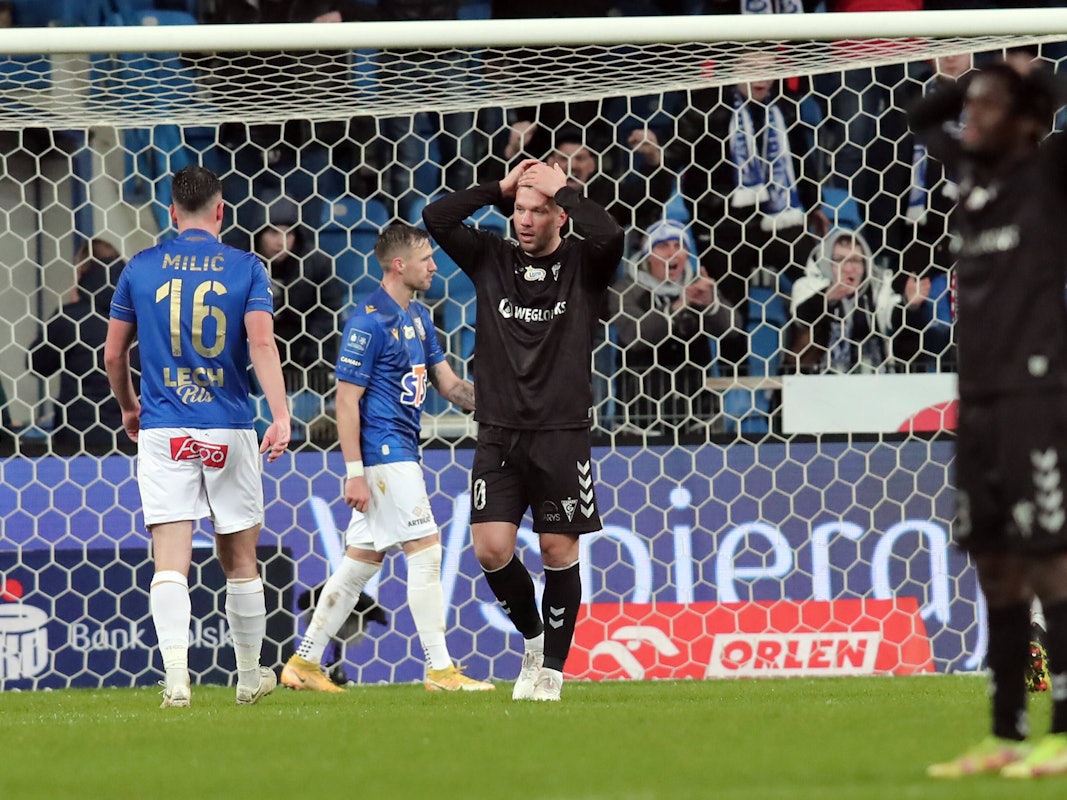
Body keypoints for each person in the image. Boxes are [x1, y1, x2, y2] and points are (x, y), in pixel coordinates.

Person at [911, 61, 1067, 779]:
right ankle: (1005, 729)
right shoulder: (966, 174)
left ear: (1025, 119)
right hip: (976, 401)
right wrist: (984, 74)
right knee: (996, 563)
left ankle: (1062, 731)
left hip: (1036, 396)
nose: (967, 117)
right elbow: (915, 117)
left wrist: (1027, 82)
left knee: (1047, 560)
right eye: (967, 106)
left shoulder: (1046, 173)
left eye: (986, 108)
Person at [423, 158, 625, 702]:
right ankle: (535, 643)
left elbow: (612, 234)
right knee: (491, 549)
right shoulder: (491, 256)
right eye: (518, 210)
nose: (525, 220)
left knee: (559, 549)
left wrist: (566, 188)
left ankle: (553, 671)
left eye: (538, 210)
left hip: (561, 432)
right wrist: (501, 186)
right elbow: (436, 217)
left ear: (560, 216)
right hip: (498, 431)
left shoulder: (585, 263)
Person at [104, 165, 292, 708]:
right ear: (220, 211)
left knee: (170, 559)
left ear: (169, 213)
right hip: (229, 427)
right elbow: (261, 345)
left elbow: (114, 354)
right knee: (240, 559)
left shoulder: (140, 267)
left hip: (164, 430)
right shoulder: (247, 267)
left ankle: (178, 679)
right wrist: (279, 415)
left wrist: (129, 407)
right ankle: (250, 676)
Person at [280, 222, 493, 693]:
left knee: (359, 564)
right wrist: (354, 473)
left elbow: (450, 386)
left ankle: (304, 661)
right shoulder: (368, 323)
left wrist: (503, 404)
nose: (436, 266)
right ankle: (440, 671)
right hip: (384, 455)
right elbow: (345, 401)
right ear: (399, 265)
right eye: (426, 259)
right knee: (427, 551)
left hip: (401, 451)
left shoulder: (418, 317)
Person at [667, 66, 828, 376]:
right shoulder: (706, 110)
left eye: (767, 69)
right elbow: (681, 161)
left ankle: (800, 369)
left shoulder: (786, 109)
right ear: (733, 72)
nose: (762, 78)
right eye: (752, 69)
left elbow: (802, 159)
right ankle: (734, 381)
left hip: (779, 218)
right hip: (726, 222)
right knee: (729, 306)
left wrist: (813, 205)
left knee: (815, 281)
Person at [610, 220, 738, 435]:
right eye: (663, 246)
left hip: (699, 416)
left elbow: (732, 329)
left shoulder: (699, 285)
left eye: (679, 246)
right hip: (641, 417)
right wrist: (677, 306)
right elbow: (635, 336)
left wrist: (710, 304)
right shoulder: (625, 289)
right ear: (648, 254)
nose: (673, 253)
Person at [28, 239, 133, 451]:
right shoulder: (137, 314)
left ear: (82, 271)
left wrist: (72, 307)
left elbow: (37, 364)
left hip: (78, 442)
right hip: (133, 435)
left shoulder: (72, 318)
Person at [786, 229, 924, 375]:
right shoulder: (808, 285)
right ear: (826, 262)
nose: (849, 269)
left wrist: (909, 304)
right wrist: (827, 298)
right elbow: (801, 320)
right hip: (819, 381)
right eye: (839, 260)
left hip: (873, 377)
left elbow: (890, 318)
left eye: (856, 260)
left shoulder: (877, 288)